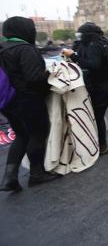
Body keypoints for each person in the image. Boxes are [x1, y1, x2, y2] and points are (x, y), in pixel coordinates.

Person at [0, 17, 60, 192]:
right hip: (27, 100)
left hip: (8, 102)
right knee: (37, 134)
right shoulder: (25, 49)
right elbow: (34, 78)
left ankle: (9, 178)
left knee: (21, 136)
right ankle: (37, 174)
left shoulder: (3, 49)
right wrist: (50, 78)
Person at [62, 22, 108, 154]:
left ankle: (102, 146)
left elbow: (94, 65)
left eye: (81, 34)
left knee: (99, 117)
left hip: (102, 88)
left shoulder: (93, 45)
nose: (79, 37)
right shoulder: (105, 42)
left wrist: (73, 56)